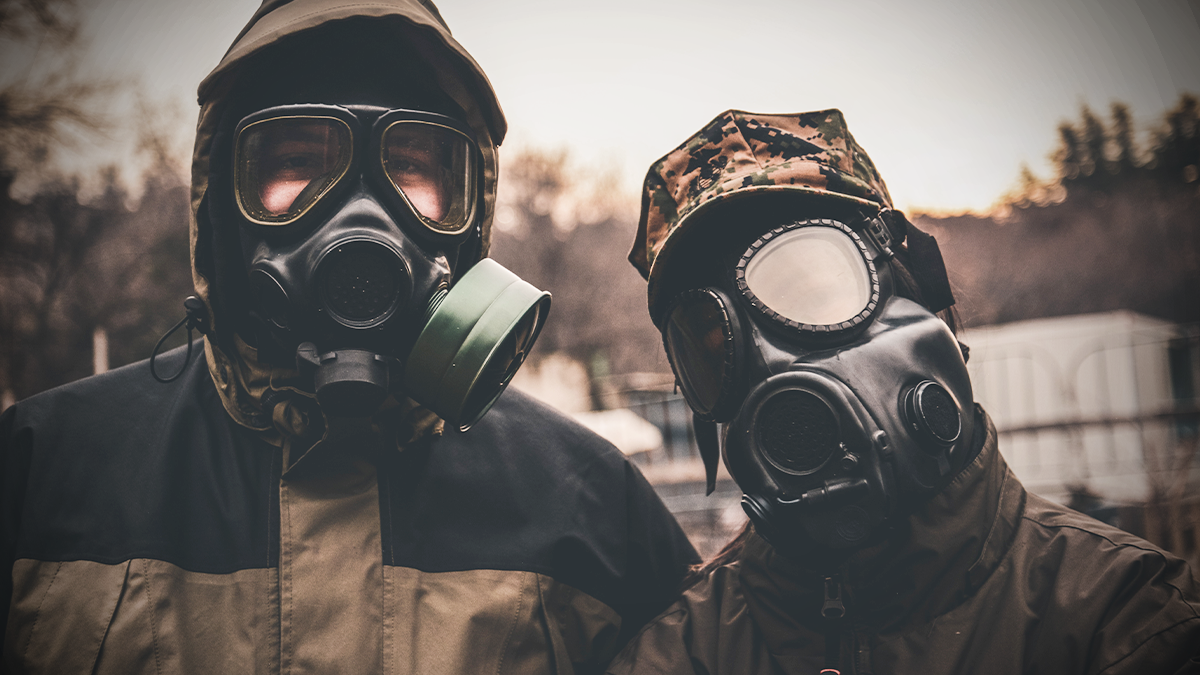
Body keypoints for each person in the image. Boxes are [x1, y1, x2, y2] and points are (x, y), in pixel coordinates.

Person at [0, 2, 699, 673]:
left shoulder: (590, 501)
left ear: (470, 215)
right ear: (222, 207)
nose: (360, 213)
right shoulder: (40, 472)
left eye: (413, 169)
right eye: (298, 163)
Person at [606, 109, 1200, 674]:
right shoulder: (683, 657)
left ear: (918, 290)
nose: (771, 365)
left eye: (810, 290)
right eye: (713, 345)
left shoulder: (1125, 621)